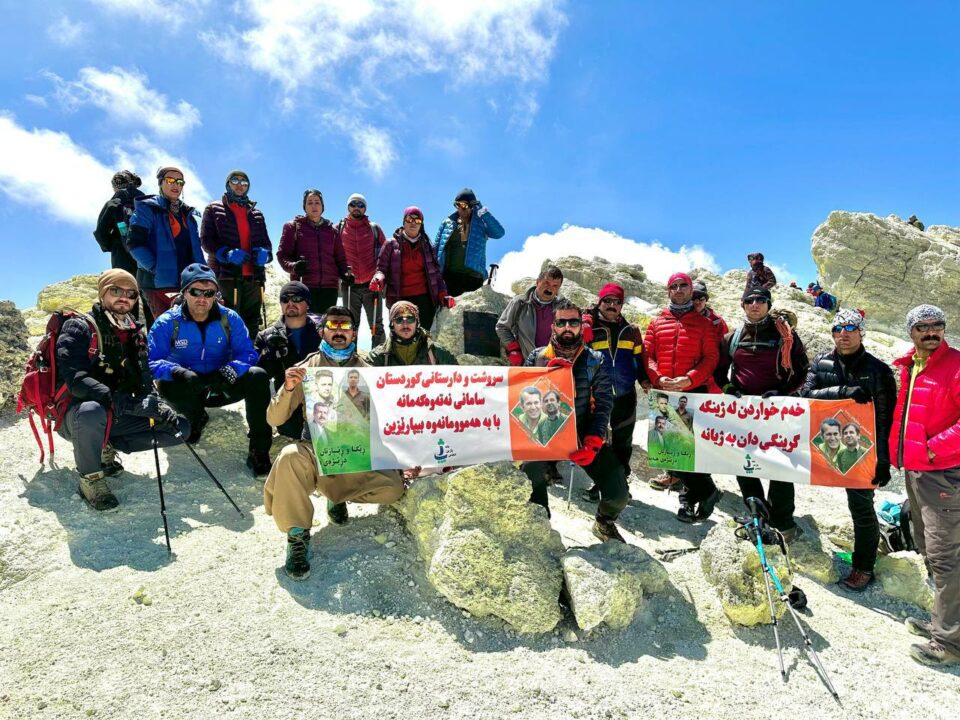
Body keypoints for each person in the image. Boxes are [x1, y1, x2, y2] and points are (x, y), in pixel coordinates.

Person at [263, 306, 407, 580]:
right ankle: (297, 535)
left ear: (354, 333)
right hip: (317, 450)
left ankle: (336, 496)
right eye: (332, 325)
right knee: (289, 457)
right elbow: (274, 418)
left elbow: (385, 420)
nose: (339, 331)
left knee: (393, 488)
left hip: (354, 452)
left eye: (345, 326)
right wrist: (289, 388)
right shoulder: (306, 368)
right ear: (322, 331)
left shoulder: (369, 372)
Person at [56, 269, 187, 511]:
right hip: (77, 417)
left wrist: (155, 404)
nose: (124, 297)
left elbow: (144, 378)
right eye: (116, 290)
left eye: (131, 293)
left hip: (115, 413)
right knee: (91, 411)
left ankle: (103, 446)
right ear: (102, 293)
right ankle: (90, 479)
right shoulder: (79, 327)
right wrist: (120, 401)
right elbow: (76, 379)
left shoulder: (135, 333)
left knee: (180, 428)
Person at [801, 308, 896, 591]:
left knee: (861, 507)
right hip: (824, 442)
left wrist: (883, 460)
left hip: (862, 449)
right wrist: (842, 392)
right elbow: (805, 395)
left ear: (861, 332)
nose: (843, 334)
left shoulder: (879, 370)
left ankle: (863, 567)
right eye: (837, 329)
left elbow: (885, 418)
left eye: (851, 328)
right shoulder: (821, 362)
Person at [148, 263, 273, 475]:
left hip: (222, 384)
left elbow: (247, 353)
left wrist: (231, 370)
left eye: (209, 293)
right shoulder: (167, 323)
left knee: (258, 376)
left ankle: (259, 449)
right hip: (190, 388)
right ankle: (196, 416)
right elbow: (152, 361)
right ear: (184, 292)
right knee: (167, 386)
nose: (202, 298)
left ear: (216, 294)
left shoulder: (229, 318)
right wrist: (178, 372)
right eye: (195, 291)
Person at [522, 299, 630, 543]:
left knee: (618, 491)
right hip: (544, 431)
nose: (567, 327)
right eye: (561, 322)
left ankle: (604, 522)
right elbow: (522, 398)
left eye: (573, 322)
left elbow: (603, 403)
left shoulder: (595, 360)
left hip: (581, 430)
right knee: (529, 475)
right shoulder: (537, 357)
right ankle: (540, 525)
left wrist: (594, 439)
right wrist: (547, 378)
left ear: (582, 325)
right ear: (553, 326)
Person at [889, 304, 960, 666]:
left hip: (943, 473)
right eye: (923, 326)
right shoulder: (911, 365)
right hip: (916, 470)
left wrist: (934, 448)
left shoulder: (955, 365)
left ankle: (949, 644)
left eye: (938, 325)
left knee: (947, 557)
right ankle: (942, 624)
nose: (932, 331)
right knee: (928, 549)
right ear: (912, 331)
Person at [722, 287, 810, 540]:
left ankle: (782, 521)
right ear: (743, 305)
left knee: (781, 464)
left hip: (777, 412)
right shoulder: (732, 337)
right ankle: (756, 515)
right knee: (745, 463)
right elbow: (719, 369)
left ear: (769, 304)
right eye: (749, 300)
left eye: (761, 300)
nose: (755, 304)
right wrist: (728, 388)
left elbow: (803, 371)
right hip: (743, 412)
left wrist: (783, 392)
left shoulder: (785, 335)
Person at [643, 272, 722, 522]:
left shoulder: (705, 324)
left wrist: (689, 379)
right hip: (665, 393)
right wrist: (657, 378)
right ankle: (707, 491)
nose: (678, 290)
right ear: (668, 291)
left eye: (683, 286)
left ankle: (692, 500)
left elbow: (711, 358)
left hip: (693, 393)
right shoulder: (656, 323)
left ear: (690, 290)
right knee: (667, 451)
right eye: (674, 286)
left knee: (690, 450)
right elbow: (648, 355)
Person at [581, 282, 645, 491]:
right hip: (598, 394)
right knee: (597, 438)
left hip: (626, 394)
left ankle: (620, 483)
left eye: (617, 302)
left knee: (623, 441)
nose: (612, 305)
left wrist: (644, 380)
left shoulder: (631, 331)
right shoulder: (589, 327)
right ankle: (602, 483)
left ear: (621, 305)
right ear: (599, 302)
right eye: (607, 300)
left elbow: (639, 360)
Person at [200, 170, 273, 341]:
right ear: (228, 185)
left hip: (254, 278)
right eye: (235, 181)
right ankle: (224, 356)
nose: (240, 185)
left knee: (252, 323)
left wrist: (265, 255)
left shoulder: (257, 214)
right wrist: (225, 253)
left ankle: (250, 356)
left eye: (244, 182)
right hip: (226, 277)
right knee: (225, 321)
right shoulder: (213, 209)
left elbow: (267, 245)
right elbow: (205, 240)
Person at [126, 167, 204, 320]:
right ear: (160, 183)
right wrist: (156, 267)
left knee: (188, 326)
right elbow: (135, 243)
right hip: (157, 284)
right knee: (166, 326)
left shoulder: (188, 215)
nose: (175, 185)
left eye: (180, 182)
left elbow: (196, 251)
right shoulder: (148, 209)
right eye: (170, 180)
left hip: (187, 283)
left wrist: (204, 275)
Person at [254, 281, 324, 440]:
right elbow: (258, 377)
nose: (290, 303)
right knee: (292, 432)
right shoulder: (266, 336)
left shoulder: (323, 331)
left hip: (321, 397)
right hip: (288, 399)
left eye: (297, 298)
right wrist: (268, 356)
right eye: (285, 299)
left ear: (308, 303)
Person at [369, 207, 453, 332]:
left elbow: (436, 274)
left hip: (425, 300)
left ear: (421, 225)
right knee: (402, 334)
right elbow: (381, 269)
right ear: (404, 222)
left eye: (417, 220)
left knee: (423, 335)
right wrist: (379, 278)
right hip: (399, 298)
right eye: (409, 219)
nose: (413, 223)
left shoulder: (427, 246)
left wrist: (442, 293)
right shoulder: (390, 244)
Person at [276, 190, 352, 315]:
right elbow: (282, 255)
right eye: (310, 202)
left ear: (322, 206)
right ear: (304, 207)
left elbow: (340, 259)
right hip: (303, 285)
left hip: (330, 288)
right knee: (304, 323)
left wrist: (345, 273)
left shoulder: (332, 231)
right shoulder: (293, 227)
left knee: (325, 324)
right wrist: (294, 267)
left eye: (317, 202)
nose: (314, 206)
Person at [434, 188, 505, 297]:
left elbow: (499, 233)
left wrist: (483, 211)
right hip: (450, 278)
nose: (461, 208)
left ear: (472, 206)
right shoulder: (447, 223)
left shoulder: (481, 223)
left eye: (464, 205)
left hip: (473, 278)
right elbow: (436, 249)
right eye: (457, 205)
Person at [338, 193, 388, 346]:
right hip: (349, 286)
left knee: (376, 326)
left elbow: (385, 255)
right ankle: (350, 357)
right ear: (348, 207)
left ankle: (379, 357)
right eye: (353, 204)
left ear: (365, 208)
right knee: (350, 326)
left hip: (372, 285)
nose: (356, 207)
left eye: (360, 205)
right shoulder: (339, 228)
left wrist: (380, 276)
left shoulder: (374, 229)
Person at [496, 266, 564, 366]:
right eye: (546, 283)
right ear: (537, 282)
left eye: (555, 286)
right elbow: (502, 327)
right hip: (526, 364)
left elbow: (576, 324)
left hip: (553, 366)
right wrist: (514, 349)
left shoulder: (562, 306)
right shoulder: (520, 303)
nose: (550, 288)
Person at [366, 301, 458, 367]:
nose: (405, 325)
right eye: (399, 320)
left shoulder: (437, 353)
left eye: (410, 319)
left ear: (417, 322)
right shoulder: (378, 358)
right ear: (392, 324)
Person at [94, 170, 145, 276]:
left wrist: (111, 244)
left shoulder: (114, 203)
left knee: (125, 284)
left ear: (116, 186)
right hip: (146, 256)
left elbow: (101, 232)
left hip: (122, 255)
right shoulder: (147, 203)